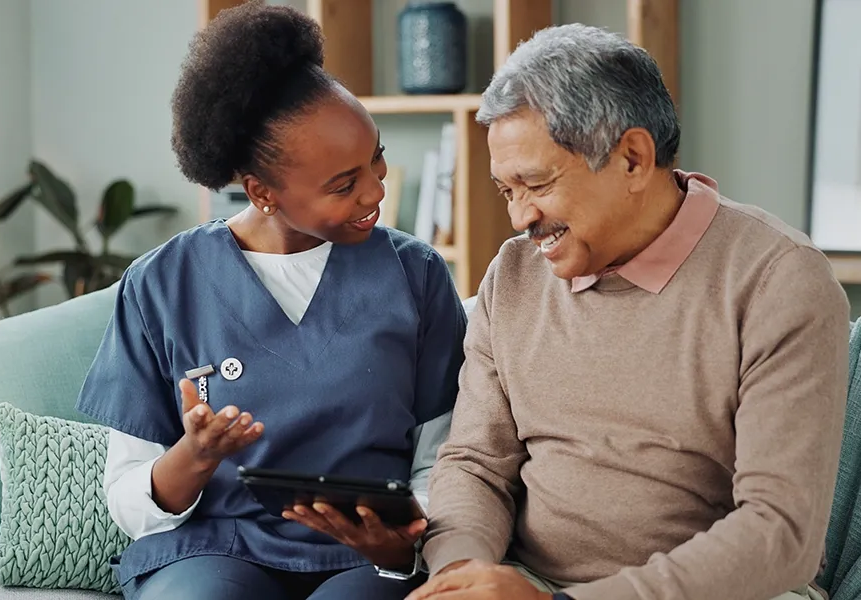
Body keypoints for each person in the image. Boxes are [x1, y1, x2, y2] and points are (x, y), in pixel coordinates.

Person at [407, 23, 850, 600]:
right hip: (528, 584)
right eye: (505, 191)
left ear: (634, 159)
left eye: (535, 184)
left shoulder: (778, 280)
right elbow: (474, 465)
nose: (519, 217)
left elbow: (779, 535)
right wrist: (460, 576)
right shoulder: (513, 276)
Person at [74, 3, 466, 599]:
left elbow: (445, 462)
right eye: (343, 184)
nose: (376, 190)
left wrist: (404, 540)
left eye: (377, 159)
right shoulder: (161, 284)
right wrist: (195, 456)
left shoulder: (416, 276)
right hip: (211, 548)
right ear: (262, 192)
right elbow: (128, 501)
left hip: (362, 559)